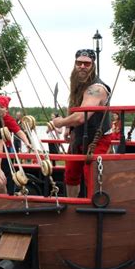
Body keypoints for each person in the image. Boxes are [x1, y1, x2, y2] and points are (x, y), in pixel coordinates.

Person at [52, 49, 112, 197]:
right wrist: (68, 127)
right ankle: (71, 208)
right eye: (79, 63)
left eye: (87, 63)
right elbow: (73, 104)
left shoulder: (96, 88)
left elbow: (81, 116)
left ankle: (96, 208)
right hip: (79, 136)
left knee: (93, 174)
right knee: (71, 174)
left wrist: (60, 123)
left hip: (98, 139)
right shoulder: (78, 83)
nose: (82, 66)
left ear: (93, 65)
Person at [0, 95, 32, 194]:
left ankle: (10, 193)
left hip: (5, 149)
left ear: (6, 109)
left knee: (8, 172)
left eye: (1, 107)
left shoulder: (8, 119)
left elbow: (19, 132)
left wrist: (27, 142)